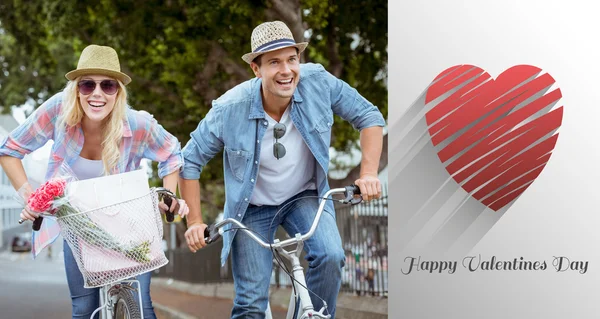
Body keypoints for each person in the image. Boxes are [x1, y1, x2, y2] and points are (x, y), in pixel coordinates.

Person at [179, 21, 385, 318]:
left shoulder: (318, 82)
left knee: (330, 256)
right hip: (251, 208)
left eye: (292, 59)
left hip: (305, 196)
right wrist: (196, 221)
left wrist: (368, 173)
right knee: (251, 303)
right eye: (274, 62)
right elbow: (190, 160)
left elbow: (369, 115)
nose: (286, 70)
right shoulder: (230, 108)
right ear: (256, 69)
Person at [0, 44, 189, 319]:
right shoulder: (58, 112)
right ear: (77, 89)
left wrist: (168, 195)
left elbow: (172, 152)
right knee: (84, 309)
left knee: (141, 305)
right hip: (80, 225)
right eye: (88, 85)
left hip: (129, 225)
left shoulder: (136, 124)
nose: (97, 93)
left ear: (118, 92)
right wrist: (31, 197)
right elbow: (9, 150)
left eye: (108, 85)